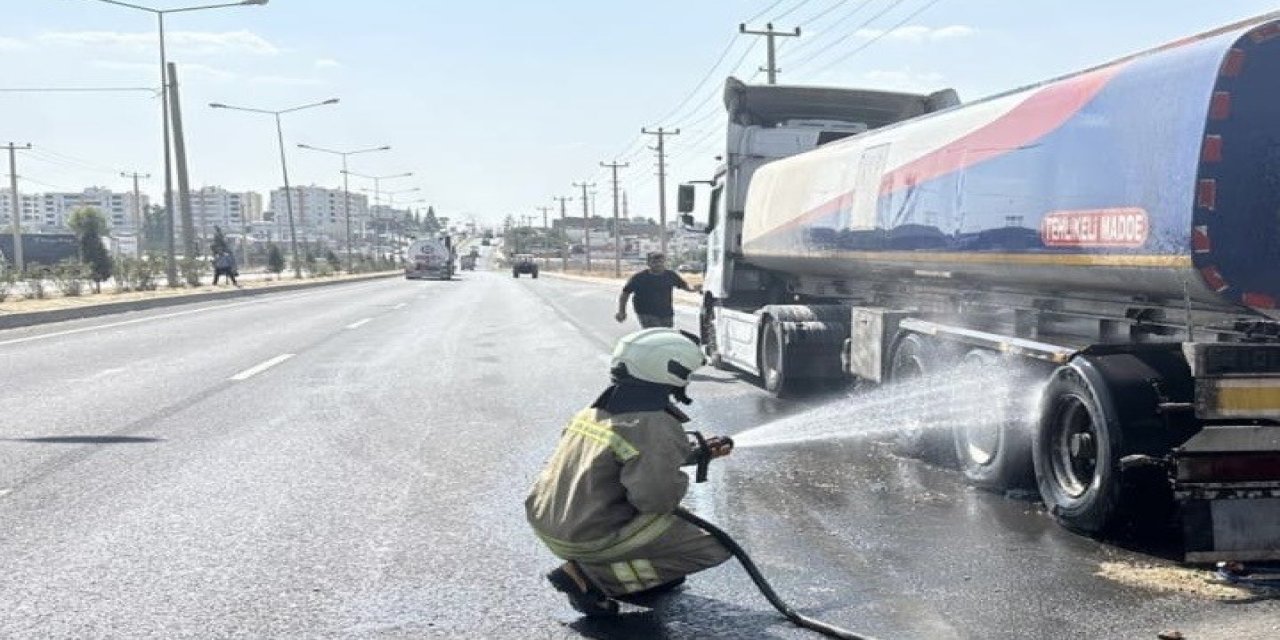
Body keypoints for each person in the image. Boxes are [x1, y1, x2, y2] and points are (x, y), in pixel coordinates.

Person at [526, 328, 734, 616]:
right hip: (587, 535)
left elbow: (621, 456)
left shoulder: (596, 411)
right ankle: (593, 579)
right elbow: (656, 500)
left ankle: (637, 580)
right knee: (714, 545)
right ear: (670, 368)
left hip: (552, 522)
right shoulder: (654, 423)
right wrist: (674, 472)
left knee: (663, 538)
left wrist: (693, 453)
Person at [615, 252, 694, 328]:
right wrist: (622, 311)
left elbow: (685, 286)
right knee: (655, 334)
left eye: (660, 262)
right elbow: (625, 294)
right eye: (655, 262)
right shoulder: (639, 277)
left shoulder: (670, 275)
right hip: (646, 313)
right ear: (648, 263)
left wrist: (694, 289)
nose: (658, 264)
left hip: (666, 313)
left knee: (666, 335)